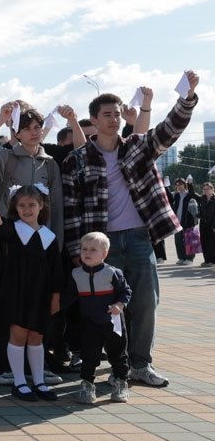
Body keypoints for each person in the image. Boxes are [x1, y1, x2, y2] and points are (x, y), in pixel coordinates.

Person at [61, 71, 199, 389]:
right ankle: (118, 366)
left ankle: (141, 364)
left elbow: (170, 129)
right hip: (102, 246)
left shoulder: (137, 146)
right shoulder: (76, 161)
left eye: (117, 114)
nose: (114, 119)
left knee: (146, 303)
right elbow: (71, 211)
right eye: (107, 115)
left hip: (139, 237)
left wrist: (188, 97)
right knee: (110, 309)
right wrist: (76, 252)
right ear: (94, 121)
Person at [0, 187, 63, 401]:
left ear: (41, 206)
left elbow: (56, 271)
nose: (27, 209)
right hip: (16, 293)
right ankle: (20, 382)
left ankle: (39, 381)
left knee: (36, 337)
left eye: (32, 205)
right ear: (15, 207)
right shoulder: (13, 230)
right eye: (21, 205)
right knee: (18, 335)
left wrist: (56, 296)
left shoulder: (49, 236)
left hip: (40, 295)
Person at [71, 231, 132, 404]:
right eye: (84, 249)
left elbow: (126, 291)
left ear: (104, 254)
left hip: (113, 323)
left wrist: (119, 305)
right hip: (89, 323)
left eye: (93, 249)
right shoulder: (75, 274)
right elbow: (69, 297)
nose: (87, 253)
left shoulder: (112, 273)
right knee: (89, 355)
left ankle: (121, 382)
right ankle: (87, 385)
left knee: (118, 354)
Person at [170, 178, 200, 264]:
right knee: (178, 241)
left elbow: (194, 210)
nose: (179, 186)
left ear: (185, 185)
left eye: (180, 184)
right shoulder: (176, 195)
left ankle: (190, 259)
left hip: (188, 222)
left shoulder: (189, 195)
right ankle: (181, 257)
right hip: (177, 222)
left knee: (189, 240)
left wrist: (194, 221)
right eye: (177, 185)